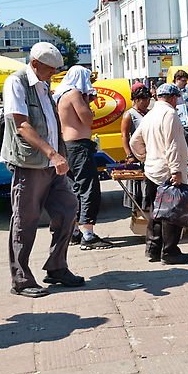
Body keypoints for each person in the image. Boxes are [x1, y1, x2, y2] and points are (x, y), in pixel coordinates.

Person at [1, 42, 83, 298]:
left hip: (52, 163)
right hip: (30, 165)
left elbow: (50, 122)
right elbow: (22, 125)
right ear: (35, 64)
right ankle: (21, 279)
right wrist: (52, 153)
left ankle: (57, 267)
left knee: (68, 209)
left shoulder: (45, 85)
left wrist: (59, 154)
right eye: (50, 69)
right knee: (25, 221)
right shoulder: (16, 83)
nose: (53, 74)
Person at [129, 83, 188, 264]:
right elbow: (172, 144)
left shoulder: (150, 114)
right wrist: (176, 170)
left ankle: (153, 249)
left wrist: (146, 157)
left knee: (155, 212)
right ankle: (170, 252)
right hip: (167, 170)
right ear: (173, 97)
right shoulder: (170, 114)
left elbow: (135, 141)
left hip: (152, 170)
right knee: (172, 213)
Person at [55, 65, 114, 250]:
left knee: (75, 190)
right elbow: (87, 120)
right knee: (89, 188)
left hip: (69, 146)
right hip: (78, 146)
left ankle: (75, 231)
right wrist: (88, 103)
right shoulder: (73, 94)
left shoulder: (62, 95)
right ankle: (87, 234)